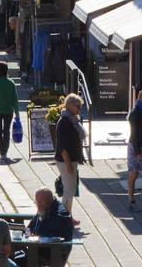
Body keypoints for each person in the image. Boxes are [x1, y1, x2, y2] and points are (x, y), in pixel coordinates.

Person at [16, 189, 73, 266]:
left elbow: (51, 238)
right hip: (38, 250)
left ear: (49, 200)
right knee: (10, 254)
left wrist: (31, 238)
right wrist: (26, 235)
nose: (38, 204)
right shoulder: (44, 208)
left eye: (41, 201)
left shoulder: (60, 215)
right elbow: (30, 228)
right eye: (37, 201)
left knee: (16, 261)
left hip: (51, 254)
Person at [54, 93, 86, 225]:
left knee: (71, 189)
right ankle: (64, 218)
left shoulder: (72, 119)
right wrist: (67, 163)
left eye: (80, 106)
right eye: (77, 105)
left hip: (71, 159)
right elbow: (62, 146)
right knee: (69, 190)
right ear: (69, 106)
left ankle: (68, 217)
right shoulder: (65, 122)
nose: (79, 108)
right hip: (65, 160)